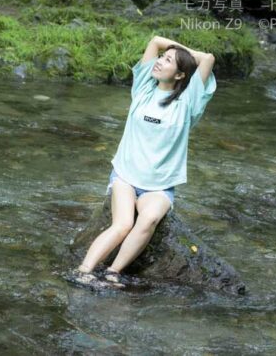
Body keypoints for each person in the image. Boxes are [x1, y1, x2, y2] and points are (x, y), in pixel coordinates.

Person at [72, 35, 217, 289]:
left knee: (148, 220)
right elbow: (155, 40)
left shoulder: (188, 103)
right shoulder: (143, 88)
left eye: (168, 61)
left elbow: (207, 58)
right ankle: (83, 270)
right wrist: (171, 51)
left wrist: (181, 54)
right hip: (125, 176)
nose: (159, 62)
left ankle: (113, 272)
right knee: (123, 224)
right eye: (161, 58)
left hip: (159, 185)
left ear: (181, 75)